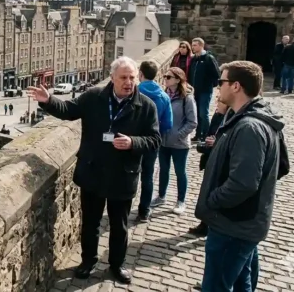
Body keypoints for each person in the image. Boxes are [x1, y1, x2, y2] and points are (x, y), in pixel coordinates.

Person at [29, 56, 161, 285]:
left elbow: (155, 139)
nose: (129, 82)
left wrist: (133, 142)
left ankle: (116, 265)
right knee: (90, 222)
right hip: (94, 173)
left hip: (123, 176)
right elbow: (69, 110)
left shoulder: (146, 106)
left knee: (119, 226)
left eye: (132, 77)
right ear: (112, 78)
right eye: (123, 77)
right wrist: (48, 100)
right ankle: (88, 261)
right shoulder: (94, 97)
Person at [196, 60, 283, 291]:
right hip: (244, 224)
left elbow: (243, 184)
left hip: (232, 226)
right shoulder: (254, 117)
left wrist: (213, 201)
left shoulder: (249, 128)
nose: (218, 87)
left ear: (236, 86)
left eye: (221, 81)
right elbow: (281, 166)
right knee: (241, 283)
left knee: (216, 286)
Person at [150, 67, 197, 215]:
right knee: (163, 170)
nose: (165, 79)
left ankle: (180, 201)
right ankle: (161, 196)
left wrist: (178, 135)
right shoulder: (163, 95)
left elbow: (192, 122)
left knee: (179, 172)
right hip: (163, 141)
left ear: (178, 79)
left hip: (179, 144)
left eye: (169, 77)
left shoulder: (187, 98)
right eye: (165, 76)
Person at [136, 60, 173, 222]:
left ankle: (120, 208)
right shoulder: (164, 96)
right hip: (152, 142)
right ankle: (144, 210)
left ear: (140, 74)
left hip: (133, 141)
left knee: (127, 173)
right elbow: (168, 123)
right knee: (148, 176)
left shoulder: (134, 92)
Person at [189, 97, 231, 237]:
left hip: (223, 164)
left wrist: (217, 142)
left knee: (216, 195)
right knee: (207, 192)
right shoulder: (218, 116)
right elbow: (210, 133)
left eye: (220, 101)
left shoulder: (232, 120)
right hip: (211, 160)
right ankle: (204, 224)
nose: (217, 103)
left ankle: (213, 226)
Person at [189, 37, 220, 141]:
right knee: (197, 113)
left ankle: (206, 134)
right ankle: (198, 135)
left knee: (203, 113)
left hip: (205, 91)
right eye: (192, 45)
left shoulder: (208, 58)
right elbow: (190, 74)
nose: (193, 47)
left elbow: (216, 74)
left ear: (201, 46)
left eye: (195, 45)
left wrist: (210, 85)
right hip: (195, 91)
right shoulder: (194, 59)